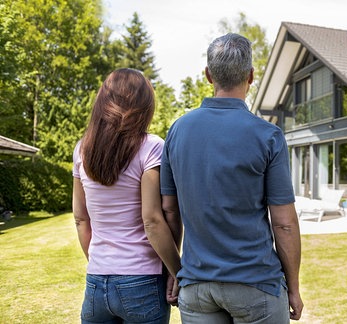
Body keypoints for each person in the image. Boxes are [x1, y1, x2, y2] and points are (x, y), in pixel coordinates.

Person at [160, 33, 304, 323]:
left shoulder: (177, 131)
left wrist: (177, 271)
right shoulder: (267, 136)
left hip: (197, 287)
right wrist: (294, 288)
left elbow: (169, 211)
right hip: (256, 284)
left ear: (208, 75)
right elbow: (284, 224)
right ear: (251, 76)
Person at [72, 68, 182, 324]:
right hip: (142, 283)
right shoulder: (152, 147)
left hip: (97, 283)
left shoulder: (82, 150)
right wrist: (177, 271)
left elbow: (80, 218)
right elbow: (154, 220)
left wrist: (101, 263)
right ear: (144, 105)